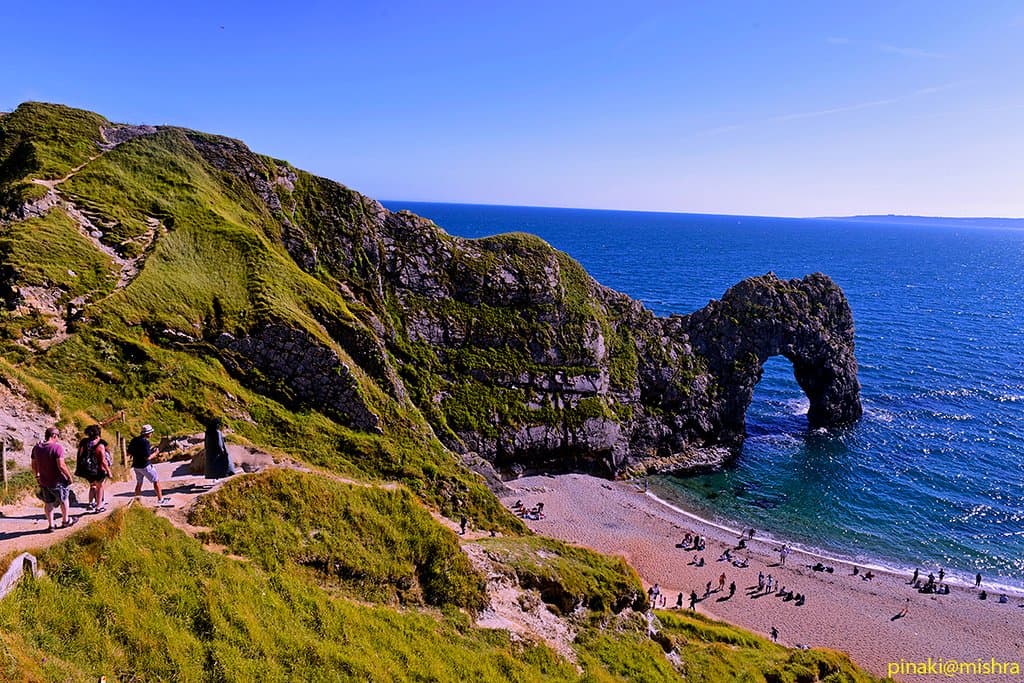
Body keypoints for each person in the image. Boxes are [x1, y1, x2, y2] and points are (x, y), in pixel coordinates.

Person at [31, 427, 76, 531]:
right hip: (57, 480)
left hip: (44, 480)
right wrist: (69, 477)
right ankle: (65, 521)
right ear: (54, 435)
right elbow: (61, 465)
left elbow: (33, 465)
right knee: (64, 499)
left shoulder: (37, 448)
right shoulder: (57, 448)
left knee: (48, 502)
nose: (58, 439)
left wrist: (37, 475)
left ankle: (51, 525)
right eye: (58, 436)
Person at [127, 424, 169, 505]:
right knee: (156, 481)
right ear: (148, 433)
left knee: (139, 483)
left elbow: (129, 452)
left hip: (136, 465)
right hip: (145, 466)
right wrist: (156, 453)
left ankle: (137, 501)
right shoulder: (145, 442)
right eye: (151, 432)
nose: (152, 434)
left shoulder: (135, 440)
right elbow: (148, 457)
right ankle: (161, 500)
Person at [76, 424, 112, 512]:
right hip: (98, 470)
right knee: (100, 486)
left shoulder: (84, 442)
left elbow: (79, 455)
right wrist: (109, 471)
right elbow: (103, 460)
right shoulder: (100, 444)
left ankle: (90, 503)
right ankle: (99, 506)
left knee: (92, 485)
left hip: (87, 469)